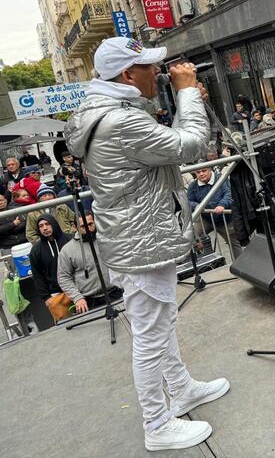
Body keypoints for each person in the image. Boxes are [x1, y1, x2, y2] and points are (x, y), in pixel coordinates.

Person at [65, 38, 228, 450]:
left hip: (138, 236)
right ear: (126, 76)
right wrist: (188, 93)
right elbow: (189, 145)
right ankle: (156, 424)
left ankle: (182, 388)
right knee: (151, 334)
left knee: (160, 321)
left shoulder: (112, 112)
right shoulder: (120, 122)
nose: (158, 73)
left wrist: (184, 97)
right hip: (142, 240)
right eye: (149, 68)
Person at [57, 212, 124, 314]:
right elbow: (63, 277)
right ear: (75, 227)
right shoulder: (67, 250)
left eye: (90, 224)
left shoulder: (108, 239)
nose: (88, 228)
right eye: (83, 226)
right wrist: (77, 298)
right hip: (90, 302)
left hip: (117, 293)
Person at [186, 166, 242, 260]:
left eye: (204, 170)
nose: (201, 174)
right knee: (190, 235)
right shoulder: (193, 186)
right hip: (206, 219)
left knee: (234, 243)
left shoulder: (221, 179)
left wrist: (222, 205)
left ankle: (240, 267)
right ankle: (194, 264)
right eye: (198, 172)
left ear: (210, 170)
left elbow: (229, 193)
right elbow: (188, 201)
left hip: (225, 220)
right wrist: (197, 205)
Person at [29, 214, 70, 304]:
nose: (45, 228)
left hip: (78, 287)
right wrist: (46, 298)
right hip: (56, 294)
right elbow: (37, 275)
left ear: (54, 224)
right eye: (41, 226)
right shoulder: (36, 250)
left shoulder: (70, 240)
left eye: (47, 224)